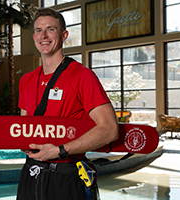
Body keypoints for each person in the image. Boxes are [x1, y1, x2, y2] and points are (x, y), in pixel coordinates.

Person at [16, 7, 119, 200]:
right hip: (30, 174)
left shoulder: (82, 76)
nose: (43, 35)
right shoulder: (26, 80)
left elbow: (110, 129)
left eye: (51, 29)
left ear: (64, 35)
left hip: (65, 176)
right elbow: (26, 127)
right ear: (33, 36)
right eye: (39, 30)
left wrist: (60, 150)